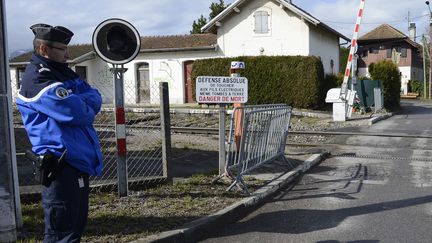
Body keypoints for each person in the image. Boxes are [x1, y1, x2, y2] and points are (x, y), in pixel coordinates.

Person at [16, 23, 103, 242]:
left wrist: (80, 99)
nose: (68, 54)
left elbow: (95, 96)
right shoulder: (37, 79)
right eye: (62, 49)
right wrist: (82, 101)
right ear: (44, 49)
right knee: (61, 235)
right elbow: (79, 113)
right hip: (60, 168)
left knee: (74, 230)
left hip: (76, 165)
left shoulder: (62, 74)